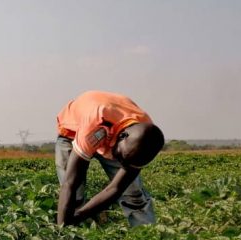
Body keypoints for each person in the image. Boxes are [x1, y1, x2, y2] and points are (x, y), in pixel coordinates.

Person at [54, 90, 164, 226]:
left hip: (114, 139)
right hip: (72, 132)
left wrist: (79, 216)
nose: (120, 163)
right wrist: (64, 225)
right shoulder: (95, 122)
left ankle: (147, 238)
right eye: (121, 158)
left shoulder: (145, 140)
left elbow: (115, 188)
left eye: (126, 163)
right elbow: (69, 184)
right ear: (122, 136)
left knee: (134, 195)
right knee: (74, 195)